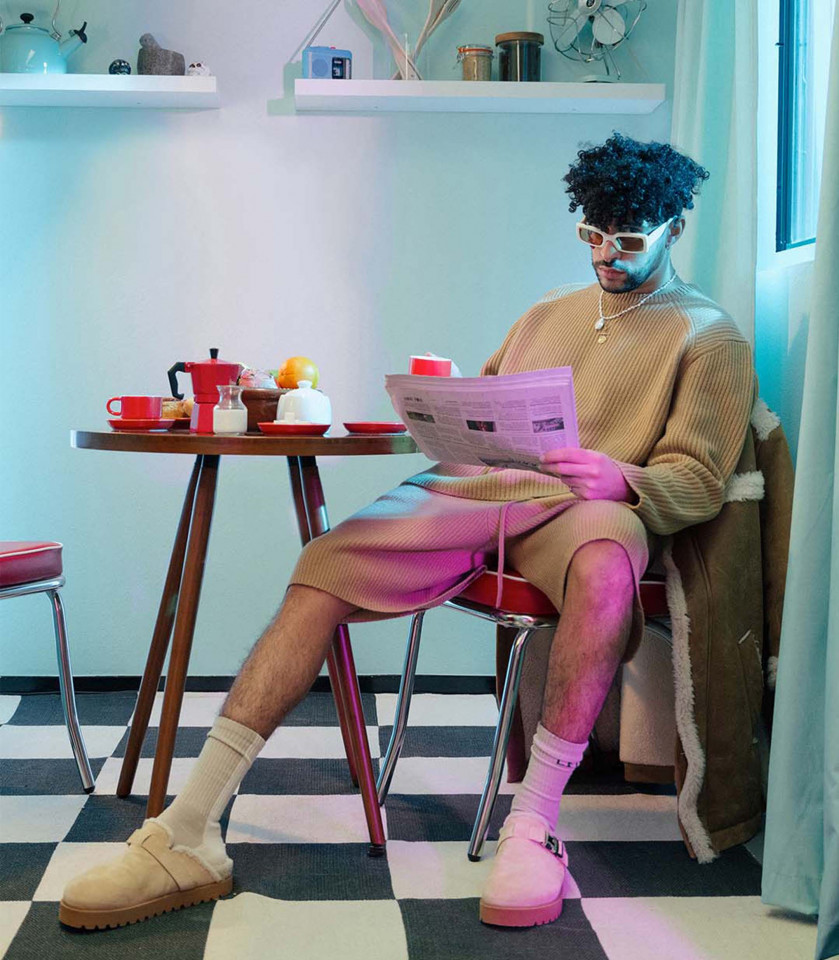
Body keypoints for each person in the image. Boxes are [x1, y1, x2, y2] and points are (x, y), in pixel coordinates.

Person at [59, 133, 754, 931]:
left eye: (626, 240)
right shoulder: (548, 312)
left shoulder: (708, 337)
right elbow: (491, 405)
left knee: (604, 563)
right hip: (482, 487)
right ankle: (188, 830)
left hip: (590, 508)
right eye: (591, 234)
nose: (605, 254)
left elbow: (699, 480)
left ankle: (531, 825)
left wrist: (622, 479)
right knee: (323, 563)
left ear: (674, 227)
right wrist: (445, 409)